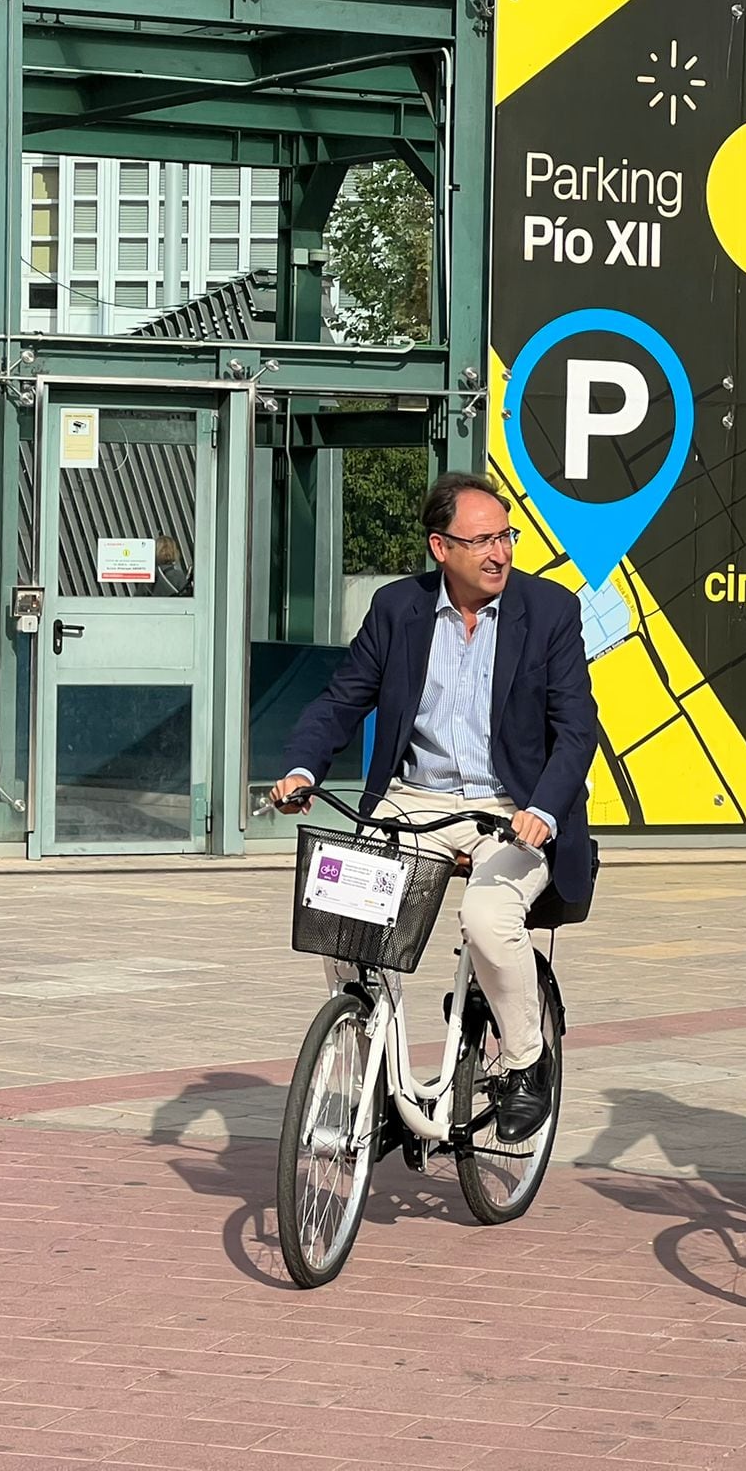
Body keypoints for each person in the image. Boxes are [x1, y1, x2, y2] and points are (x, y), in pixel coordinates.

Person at [271, 472, 598, 1143]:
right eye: (481, 540)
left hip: (513, 807)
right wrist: (302, 767)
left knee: (486, 916)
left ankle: (524, 1062)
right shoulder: (398, 610)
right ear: (439, 547)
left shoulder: (552, 612)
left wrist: (545, 809)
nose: (499, 553)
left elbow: (576, 730)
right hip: (415, 799)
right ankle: (372, 1081)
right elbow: (341, 700)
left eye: (505, 537)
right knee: (346, 917)